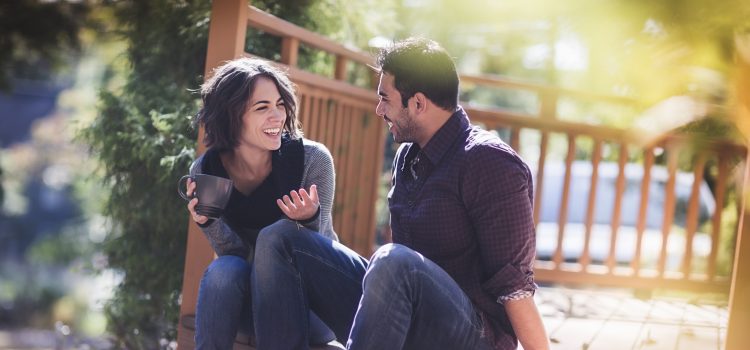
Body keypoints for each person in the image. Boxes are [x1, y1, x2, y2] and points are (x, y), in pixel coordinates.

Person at [345, 38, 549, 350]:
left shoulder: (489, 162)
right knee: (285, 242)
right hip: (412, 319)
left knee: (392, 260)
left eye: (385, 98)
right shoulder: (407, 157)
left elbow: (514, 287)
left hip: (475, 336)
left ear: (417, 103)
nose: (379, 109)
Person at [186, 57, 368, 349]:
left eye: (280, 104)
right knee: (224, 270)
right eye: (262, 107)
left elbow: (320, 259)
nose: (277, 116)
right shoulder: (207, 171)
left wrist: (307, 221)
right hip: (250, 303)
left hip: (306, 304)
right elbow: (234, 254)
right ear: (230, 115)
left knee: (274, 238)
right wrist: (208, 223)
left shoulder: (311, 160)